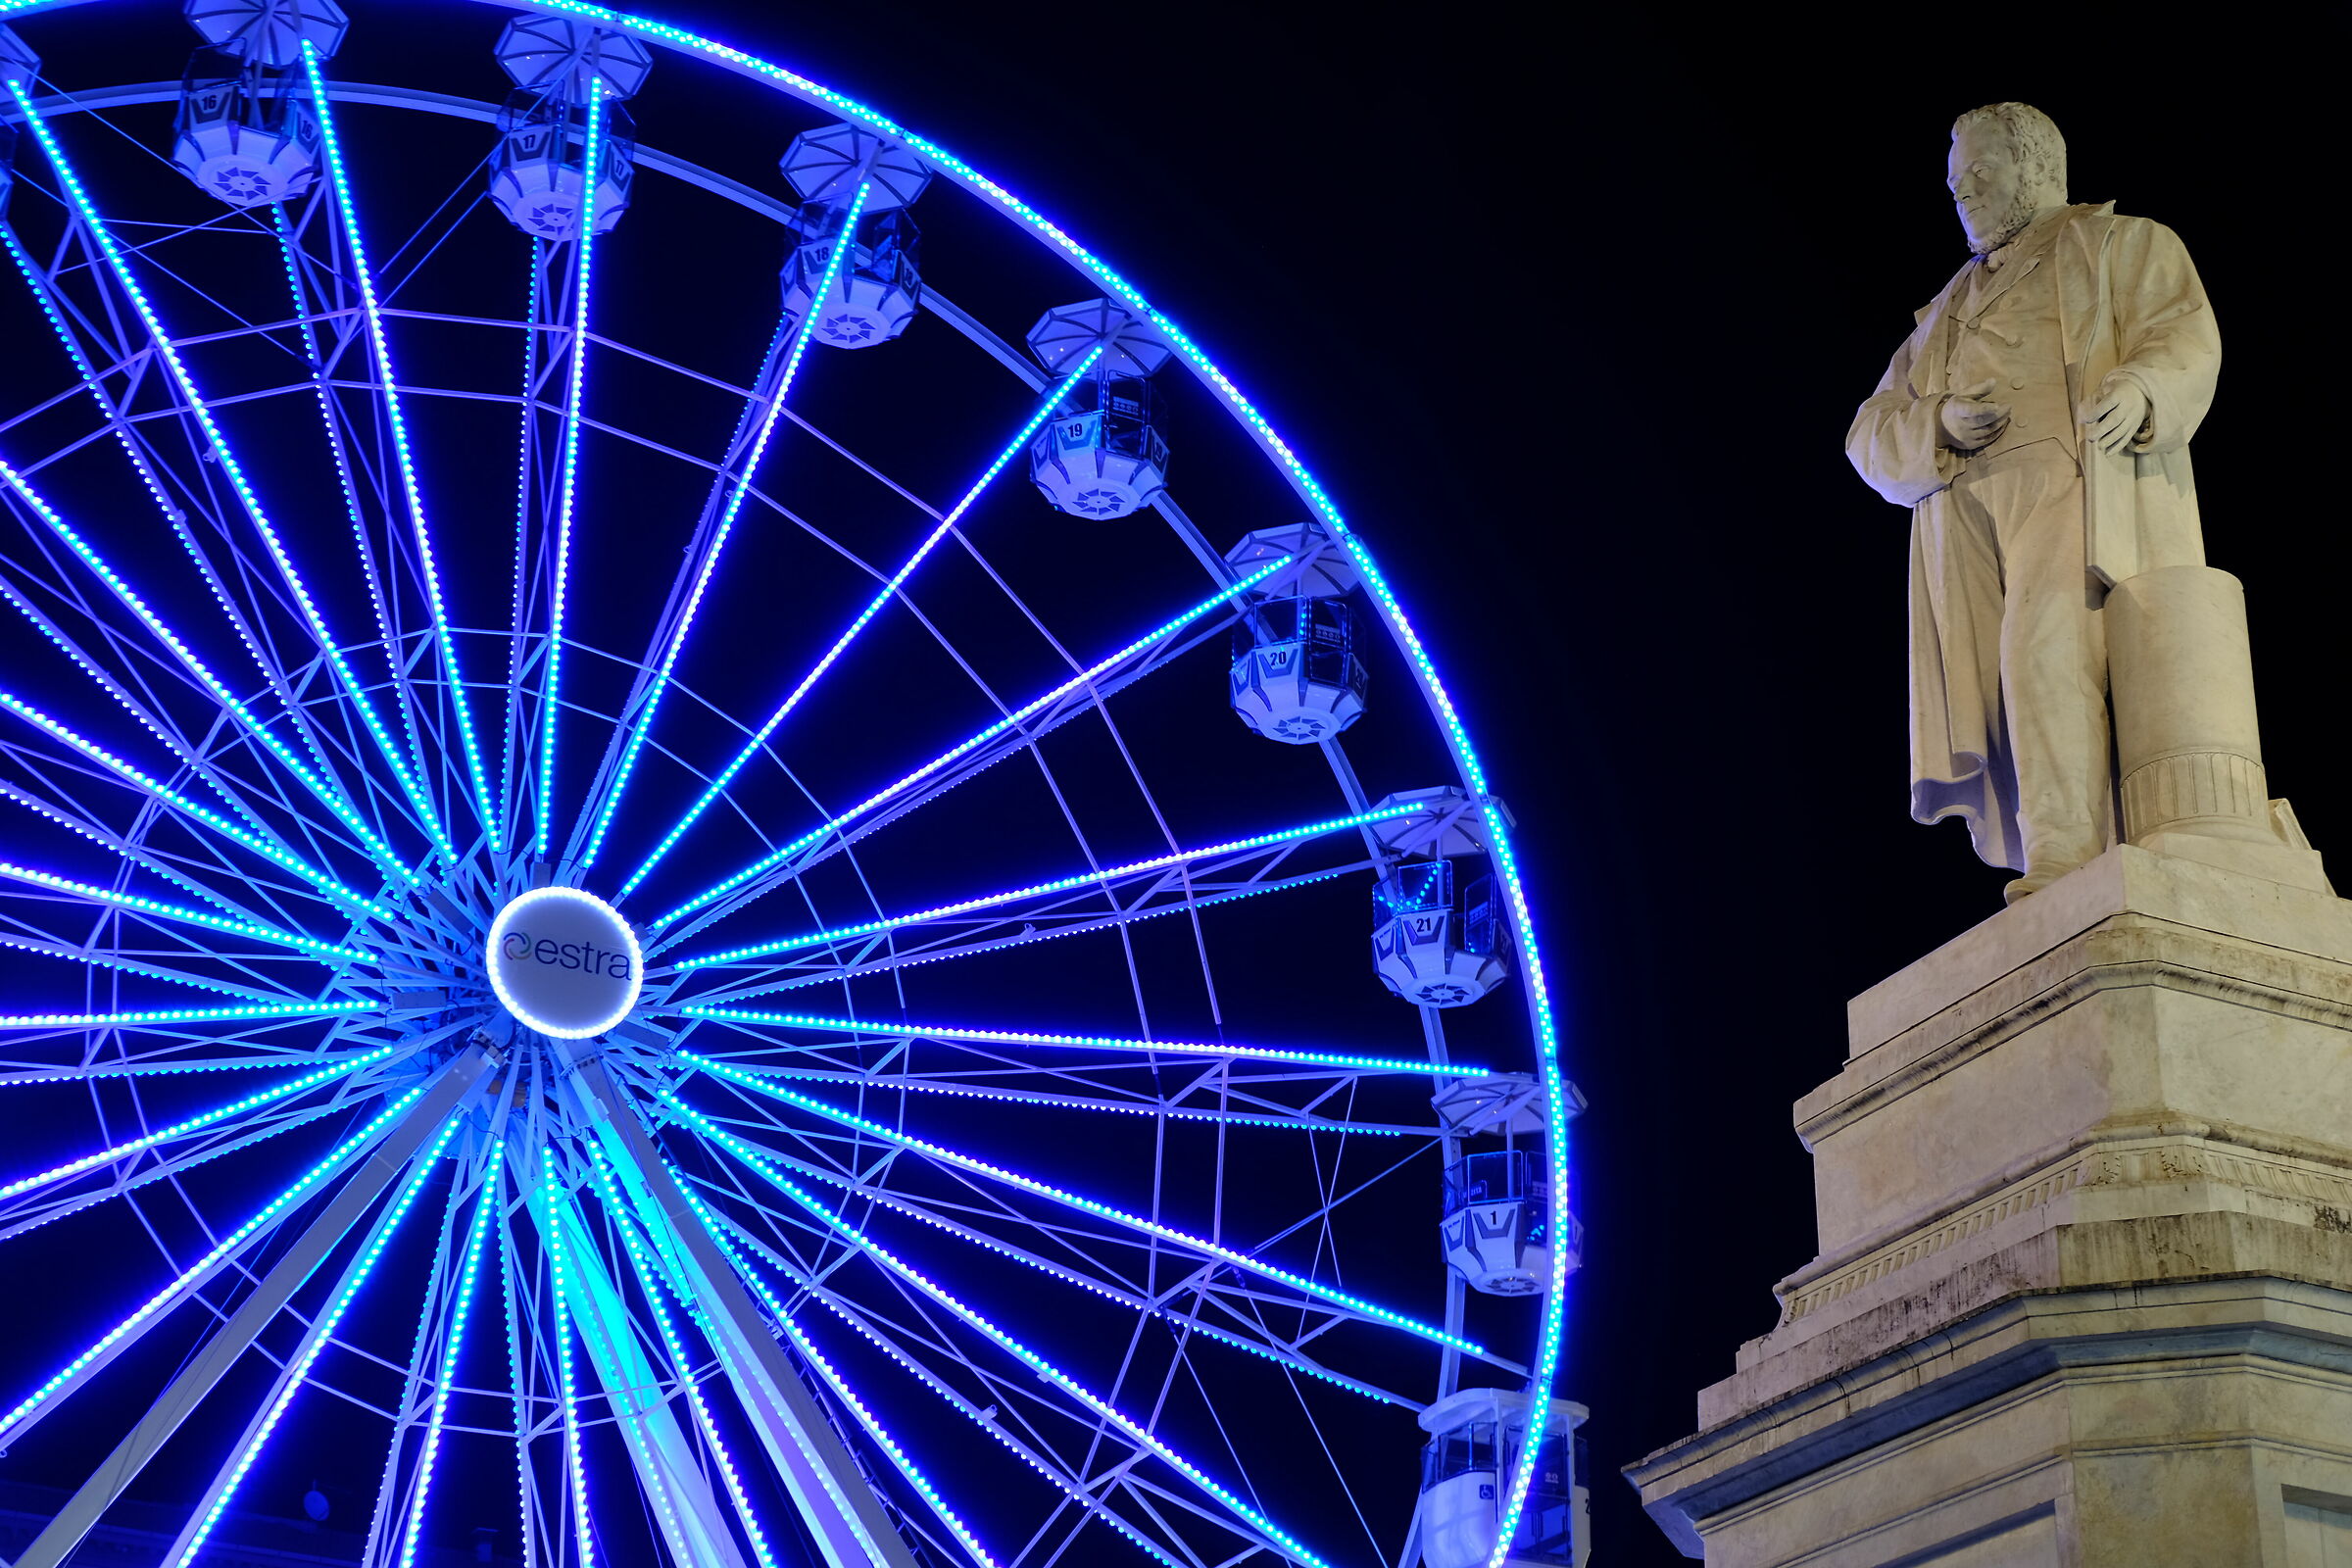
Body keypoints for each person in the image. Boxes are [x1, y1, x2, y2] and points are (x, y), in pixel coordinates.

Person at [1845, 102, 2221, 901]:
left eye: (1981, 169)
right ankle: (2056, 842)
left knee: (2041, 647)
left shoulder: (2122, 243)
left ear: (2039, 167)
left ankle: (2064, 851)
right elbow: (1865, 433)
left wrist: (2144, 385)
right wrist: (1935, 421)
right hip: (1964, 507)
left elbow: (2185, 335)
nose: (1962, 188)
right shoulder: (1941, 314)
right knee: (1993, 686)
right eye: (1954, 180)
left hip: (2074, 475)